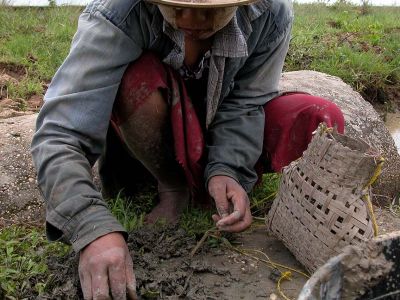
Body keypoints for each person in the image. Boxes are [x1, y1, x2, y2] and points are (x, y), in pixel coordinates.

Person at [31, 0, 344, 298]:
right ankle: (172, 185)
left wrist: (228, 169)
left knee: (317, 116)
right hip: (153, 132)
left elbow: (248, 102)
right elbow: (61, 132)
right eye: (177, 7)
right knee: (135, 77)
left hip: (217, 124)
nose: (191, 21)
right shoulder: (117, 14)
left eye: (212, 9)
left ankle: (217, 183)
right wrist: (91, 226)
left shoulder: (270, 14)